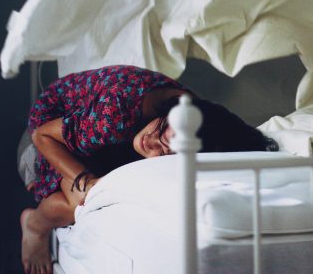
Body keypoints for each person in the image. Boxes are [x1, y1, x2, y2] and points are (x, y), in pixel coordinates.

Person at [20, 65, 277, 274]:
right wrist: (85, 181)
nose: (151, 145)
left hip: (103, 135)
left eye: (164, 153)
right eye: (163, 136)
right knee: (82, 200)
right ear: (173, 112)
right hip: (51, 123)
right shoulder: (115, 114)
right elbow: (43, 136)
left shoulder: (199, 121)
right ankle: (33, 225)